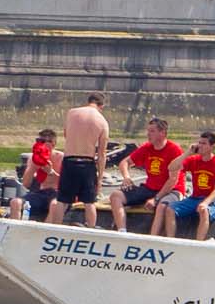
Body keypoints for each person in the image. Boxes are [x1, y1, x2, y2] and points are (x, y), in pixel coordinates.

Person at [106, 117, 184, 231]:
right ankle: (122, 231)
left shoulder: (174, 150)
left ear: (163, 133)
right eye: (148, 131)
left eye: (152, 131)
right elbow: (124, 162)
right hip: (150, 188)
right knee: (115, 196)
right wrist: (127, 177)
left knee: (162, 206)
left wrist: (156, 199)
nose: (148, 134)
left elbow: (173, 180)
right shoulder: (147, 148)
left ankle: (153, 237)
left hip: (171, 189)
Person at [152, 131, 215, 240]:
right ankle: (170, 240)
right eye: (199, 143)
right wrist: (187, 153)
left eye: (204, 143)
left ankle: (199, 243)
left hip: (213, 200)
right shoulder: (193, 160)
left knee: (203, 210)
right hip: (195, 198)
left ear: (212, 146)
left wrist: (205, 202)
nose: (200, 146)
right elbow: (171, 167)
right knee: (170, 209)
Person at [46, 92, 109, 227]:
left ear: (89, 101)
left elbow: (66, 134)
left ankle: (55, 228)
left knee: (62, 200)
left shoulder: (72, 113)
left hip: (69, 160)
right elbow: (102, 153)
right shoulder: (103, 122)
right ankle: (91, 229)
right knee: (89, 202)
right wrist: (100, 178)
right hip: (87, 163)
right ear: (101, 106)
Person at [10, 129, 60, 222]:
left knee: (54, 206)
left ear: (53, 144)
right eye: (39, 141)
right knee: (15, 202)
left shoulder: (61, 158)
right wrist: (33, 168)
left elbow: (67, 183)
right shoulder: (33, 158)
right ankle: (16, 231)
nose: (42, 144)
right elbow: (25, 184)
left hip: (56, 194)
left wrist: (51, 172)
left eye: (46, 142)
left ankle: (45, 232)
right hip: (39, 194)